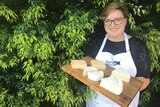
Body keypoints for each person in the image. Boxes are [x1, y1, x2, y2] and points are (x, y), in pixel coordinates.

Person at [85, 1, 151, 107]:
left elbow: (144, 79)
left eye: (117, 20)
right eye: (108, 21)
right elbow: (87, 69)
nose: (112, 25)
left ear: (125, 21)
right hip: (96, 103)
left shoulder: (138, 46)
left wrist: (123, 92)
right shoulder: (95, 43)